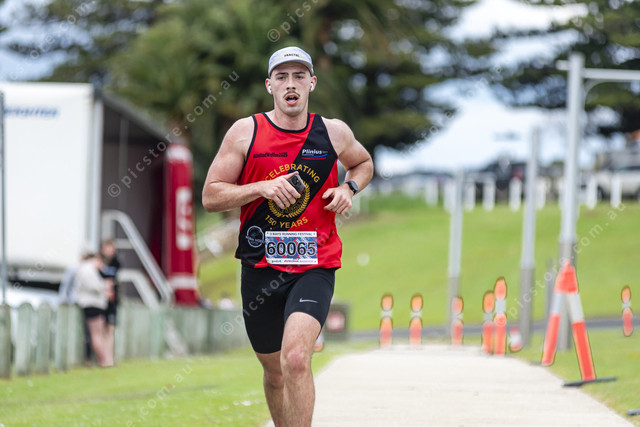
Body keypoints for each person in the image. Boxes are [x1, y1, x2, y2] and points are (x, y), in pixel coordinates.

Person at [202, 46, 373, 426]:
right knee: (275, 372)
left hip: (315, 264)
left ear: (312, 83)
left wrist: (349, 188)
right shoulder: (245, 133)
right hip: (260, 266)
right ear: (270, 86)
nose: (290, 84)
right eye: (282, 77)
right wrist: (260, 188)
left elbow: (362, 163)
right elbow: (211, 195)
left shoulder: (333, 132)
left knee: (295, 358)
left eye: (299, 76)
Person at [75, 253, 111, 367]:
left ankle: (104, 359)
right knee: (96, 334)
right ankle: (103, 360)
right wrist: (104, 285)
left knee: (98, 334)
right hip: (92, 305)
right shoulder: (87, 270)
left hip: (95, 305)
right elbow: (93, 286)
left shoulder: (89, 270)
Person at [99, 240, 120, 366]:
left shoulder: (116, 262)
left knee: (110, 329)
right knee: (100, 330)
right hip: (100, 301)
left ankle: (109, 358)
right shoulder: (98, 262)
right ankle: (103, 359)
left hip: (112, 301)